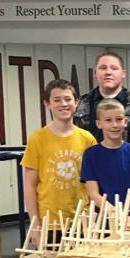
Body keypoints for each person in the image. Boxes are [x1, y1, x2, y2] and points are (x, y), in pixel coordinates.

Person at [22, 78, 96, 236]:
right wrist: (34, 222)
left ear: (76, 103)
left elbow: (95, 181)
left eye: (68, 99)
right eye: (57, 100)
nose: (63, 104)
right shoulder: (37, 139)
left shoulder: (87, 138)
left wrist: (91, 210)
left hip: (81, 220)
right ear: (47, 104)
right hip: (50, 223)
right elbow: (29, 184)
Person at [80, 98, 130, 210]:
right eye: (108, 120)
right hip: (103, 221)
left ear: (125, 122)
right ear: (99, 124)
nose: (114, 125)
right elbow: (93, 194)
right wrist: (116, 214)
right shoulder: (90, 155)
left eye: (119, 119)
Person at [74, 51, 130, 142]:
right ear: (95, 73)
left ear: (123, 73)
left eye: (114, 68)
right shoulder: (80, 105)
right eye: (103, 68)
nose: (108, 72)